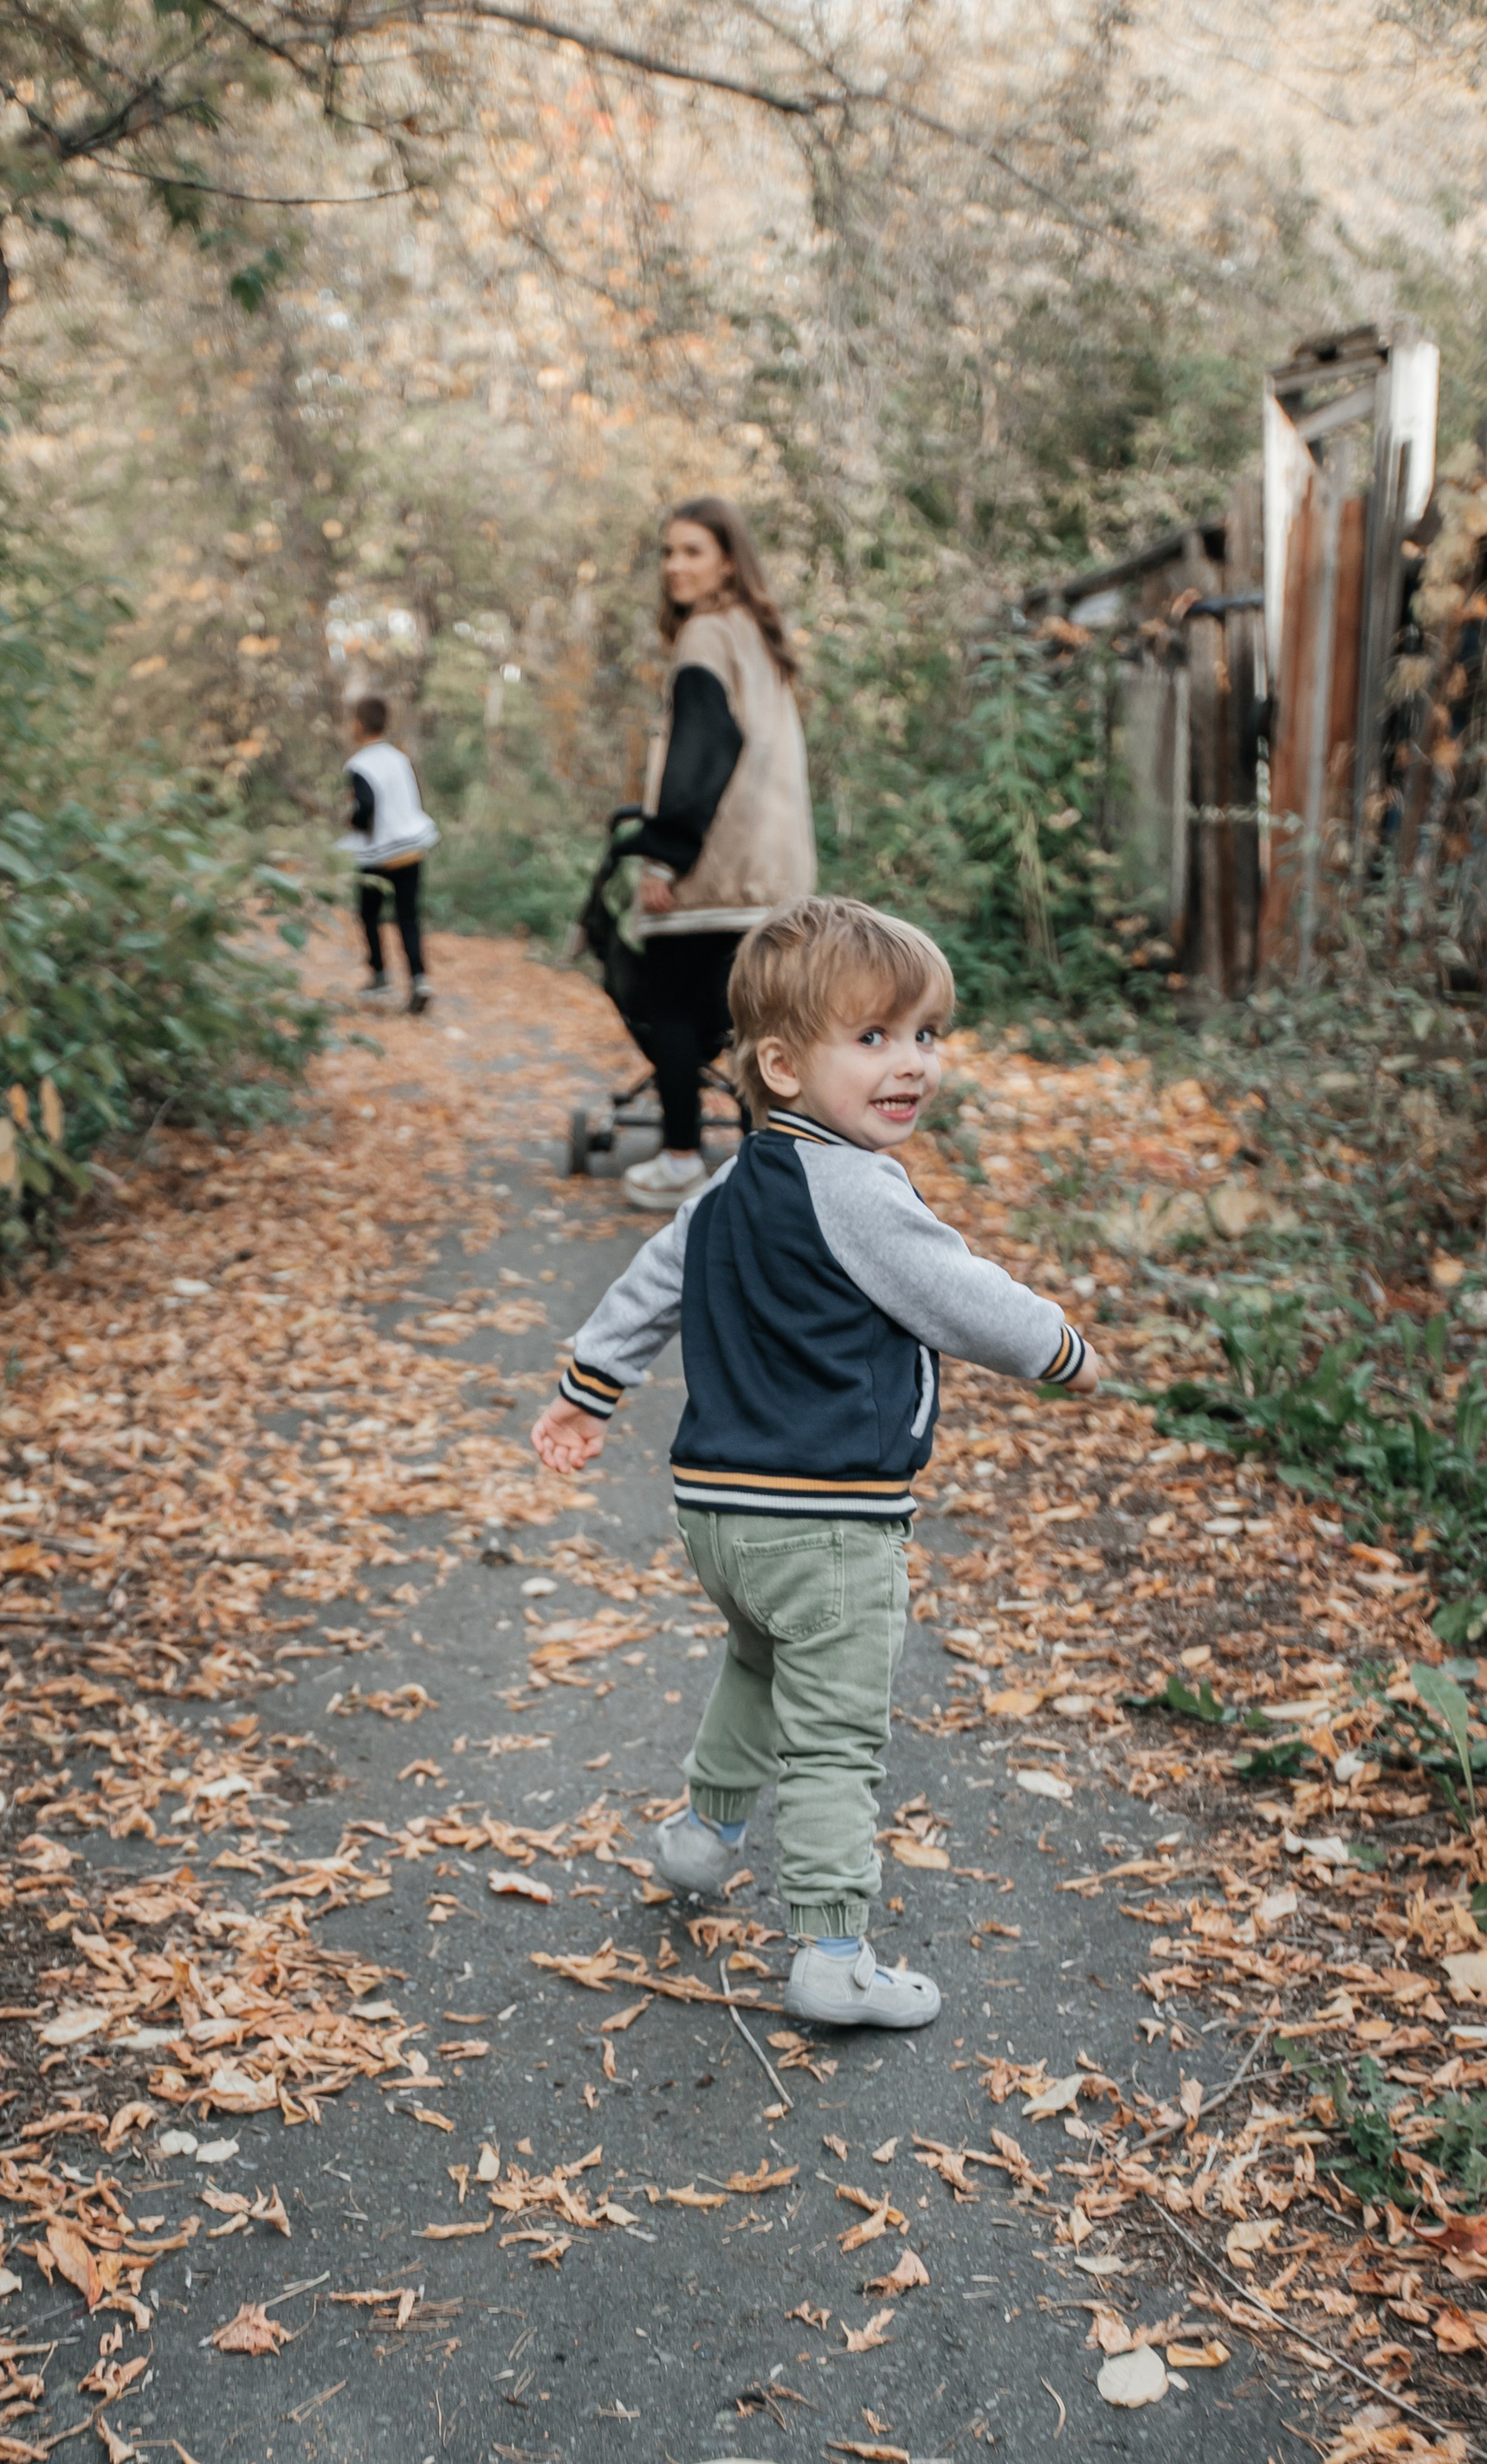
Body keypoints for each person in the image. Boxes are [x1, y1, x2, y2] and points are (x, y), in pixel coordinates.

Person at [529, 896, 1102, 2031]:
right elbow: (965, 1297)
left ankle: (702, 1836)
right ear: (782, 1065)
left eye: (926, 1035)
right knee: (837, 1739)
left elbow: (645, 1289)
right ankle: (833, 1952)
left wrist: (586, 1396)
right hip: (828, 1527)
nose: (913, 1066)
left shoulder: (726, 1187)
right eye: (875, 1039)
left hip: (718, 1519)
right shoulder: (861, 1192)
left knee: (756, 1663)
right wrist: (1063, 1352)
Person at [615, 497, 815, 1210]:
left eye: (692, 551)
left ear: (729, 560)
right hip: (775, 872)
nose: (674, 566)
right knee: (752, 1024)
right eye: (668, 552)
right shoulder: (760, 637)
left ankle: (678, 1159)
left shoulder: (704, 635)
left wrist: (664, 856)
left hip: (715, 871)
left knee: (668, 1009)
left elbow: (702, 749)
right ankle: (771, 1169)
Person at [339, 693, 439, 1014]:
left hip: (380, 853)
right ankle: (419, 979)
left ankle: (380, 974)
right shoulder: (399, 758)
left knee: (368, 913)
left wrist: (353, 819)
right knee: (407, 917)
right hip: (412, 847)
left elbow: (365, 807)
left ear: (358, 723)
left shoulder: (359, 765)